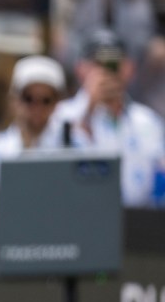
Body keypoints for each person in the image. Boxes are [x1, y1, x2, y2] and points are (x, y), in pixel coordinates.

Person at [52, 28, 165, 208]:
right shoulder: (61, 115)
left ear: (129, 68)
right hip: (81, 221)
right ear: (80, 69)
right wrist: (88, 109)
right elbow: (50, 162)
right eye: (98, 63)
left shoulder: (148, 121)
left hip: (140, 225)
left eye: (113, 63)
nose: (106, 72)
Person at [0, 54, 67, 191]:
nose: (37, 107)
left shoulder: (73, 145)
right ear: (13, 99)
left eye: (46, 100)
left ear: (56, 104)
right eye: (28, 98)